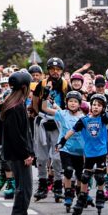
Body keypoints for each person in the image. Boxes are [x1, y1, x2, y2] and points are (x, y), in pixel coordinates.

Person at [0, 70, 39, 215]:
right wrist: (26, 154)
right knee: (24, 188)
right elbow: (17, 135)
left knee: (23, 187)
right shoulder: (16, 107)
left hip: (14, 153)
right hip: (18, 154)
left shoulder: (11, 104)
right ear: (24, 87)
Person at [58, 92, 108, 215]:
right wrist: (63, 141)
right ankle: (81, 198)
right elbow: (72, 130)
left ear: (103, 108)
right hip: (89, 153)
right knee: (85, 177)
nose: (96, 107)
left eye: (99, 105)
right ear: (90, 106)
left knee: (100, 176)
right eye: (94, 104)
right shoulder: (84, 120)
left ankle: (100, 196)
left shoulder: (103, 119)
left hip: (101, 152)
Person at [33, 57, 68, 202]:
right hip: (43, 121)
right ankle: (42, 185)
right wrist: (40, 115)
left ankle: (58, 186)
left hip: (58, 122)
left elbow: (68, 104)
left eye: (58, 69)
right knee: (41, 157)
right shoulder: (42, 84)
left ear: (62, 71)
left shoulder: (65, 85)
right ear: (48, 71)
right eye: (52, 69)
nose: (55, 72)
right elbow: (35, 102)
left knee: (57, 157)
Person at [55, 90, 86, 214]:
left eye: (75, 101)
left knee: (80, 175)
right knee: (68, 171)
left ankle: (80, 193)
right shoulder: (62, 114)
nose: (73, 103)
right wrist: (44, 96)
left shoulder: (83, 117)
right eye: (70, 101)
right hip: (65, 148)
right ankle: (68, 195)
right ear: (66, 102)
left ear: (79, 104)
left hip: (80, 150)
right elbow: (44, 108)